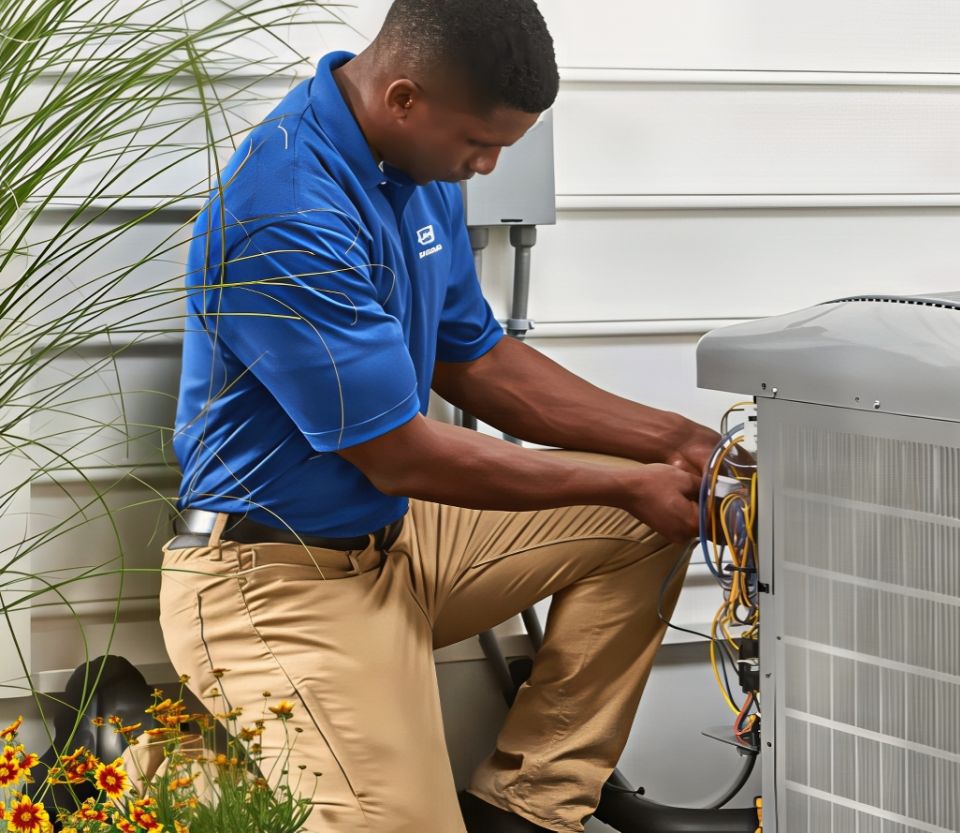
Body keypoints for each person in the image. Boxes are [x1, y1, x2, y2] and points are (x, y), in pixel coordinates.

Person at [160, 1, 721, 831]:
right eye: (479, 142)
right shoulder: (287, 209)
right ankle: (135, 760)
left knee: (658, 509)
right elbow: (401, 455)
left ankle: (526, 811)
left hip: (396, 541)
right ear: (404, 98)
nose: (489, 167)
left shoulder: (416, 178)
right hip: (272, 578)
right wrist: (632, 484)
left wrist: (679, 443)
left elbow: (478, 359)